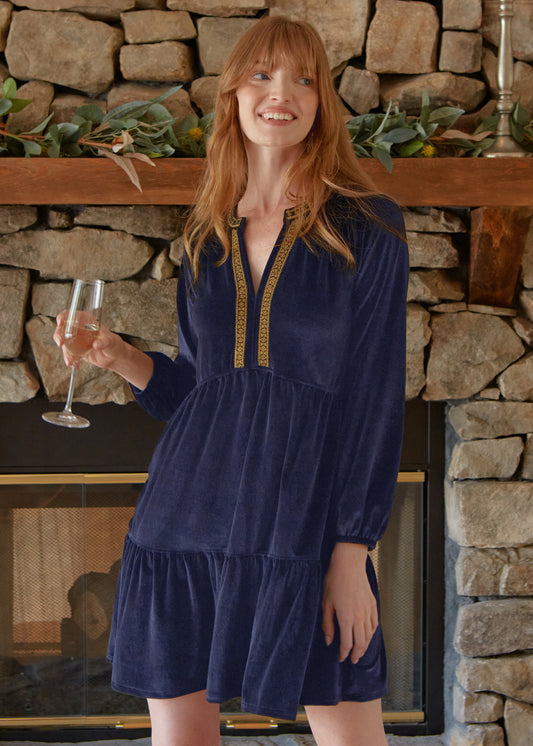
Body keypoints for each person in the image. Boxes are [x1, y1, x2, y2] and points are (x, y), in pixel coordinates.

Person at [55, 15, 408, 746]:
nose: (281, 94)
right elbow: (199, 396)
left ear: (321, 103)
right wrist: (119, 357)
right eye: (262, 76)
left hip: (305, 532)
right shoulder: (204, 234)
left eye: (302, 80)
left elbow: (373, 399)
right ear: (232, 96)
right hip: (185, 522)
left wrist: (352, 550)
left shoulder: (367, 227)